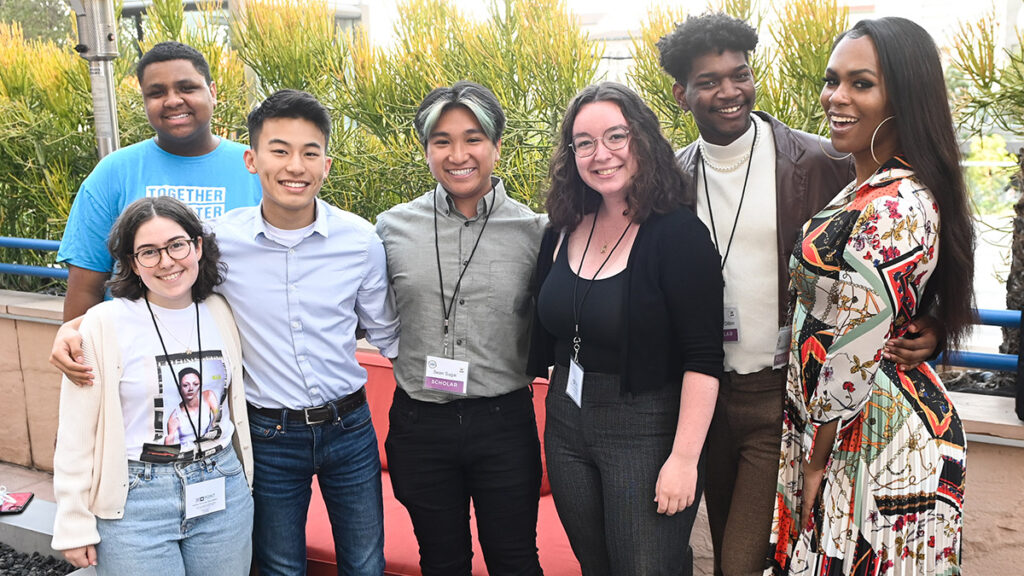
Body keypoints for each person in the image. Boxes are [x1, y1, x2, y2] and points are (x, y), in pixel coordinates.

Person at [51, 89, 400, 576]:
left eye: (309, 152)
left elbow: (387, 330)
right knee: (279, 566)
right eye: (279, 150)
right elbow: (160, 296)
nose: (294, 165)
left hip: (350, 427)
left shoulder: (361, 241)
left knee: (365, 563)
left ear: (326, 163)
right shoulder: (217, 242)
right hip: (268, 432)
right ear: (252, 160)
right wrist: (75, 330)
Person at [656, 14, 940, 575]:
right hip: (705, 397)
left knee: (741, 563)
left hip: (782, 396)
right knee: (740, 554)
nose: (729, 91)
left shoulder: (821, 161)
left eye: (739, 74)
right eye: (709, 81)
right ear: (681, 93)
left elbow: (894, 253)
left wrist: (932, 318)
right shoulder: (669, 178)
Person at [765, 17, 973, 575]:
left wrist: (815, 462)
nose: (837, 97)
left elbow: (851, 352)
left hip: (871, 442)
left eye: (861, 83)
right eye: (833, 80)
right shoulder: (873, 187)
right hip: (857, 431)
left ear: (902, 98)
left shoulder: (893, 202)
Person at [527, 81, 723, 575]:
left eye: (616, 136)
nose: (601, 154)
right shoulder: (565, 224)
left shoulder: (678, 234)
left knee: (646, 567)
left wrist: (684, 459)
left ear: (642, 139)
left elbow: (704, 358)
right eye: (585, 143)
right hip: (567, 421)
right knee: (596, 566)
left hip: (646, 427)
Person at [375, 81, 546, 575]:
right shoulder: (390, 229)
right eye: (441, 141)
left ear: (496, 145)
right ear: (425, 149)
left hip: (504, 424)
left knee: (515, 560)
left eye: (472, 138)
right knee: (442, 561)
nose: (458, 154)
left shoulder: (536, 233)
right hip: (420, 426)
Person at [51, 196, 254, 575]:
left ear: (197, 246)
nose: (166, 261)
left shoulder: (220, 311)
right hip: (136, 499)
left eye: (177, 245)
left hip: (221, 485)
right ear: (131, 263)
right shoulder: (102, 324)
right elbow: (77, 433)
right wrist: (72, 520)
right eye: (148, 252)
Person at [57, 41, 261, 322]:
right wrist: (78, 357)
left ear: (212, 93)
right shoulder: (113, 172)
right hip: (135, 350)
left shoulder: (255, 167)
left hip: (236, 347)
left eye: (187, 88)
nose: (173, 100)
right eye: (156, 93)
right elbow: (86, 286)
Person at [165, 367, 221, 445]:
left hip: (209, 446)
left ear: (200, 385)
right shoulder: (175, 417)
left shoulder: (208, 396)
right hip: (187, 452)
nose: (191, 388)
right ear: (179, 388)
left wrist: (215, 425)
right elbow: (169, 443)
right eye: (185, 385)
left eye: (195, 384)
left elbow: (217, 415)